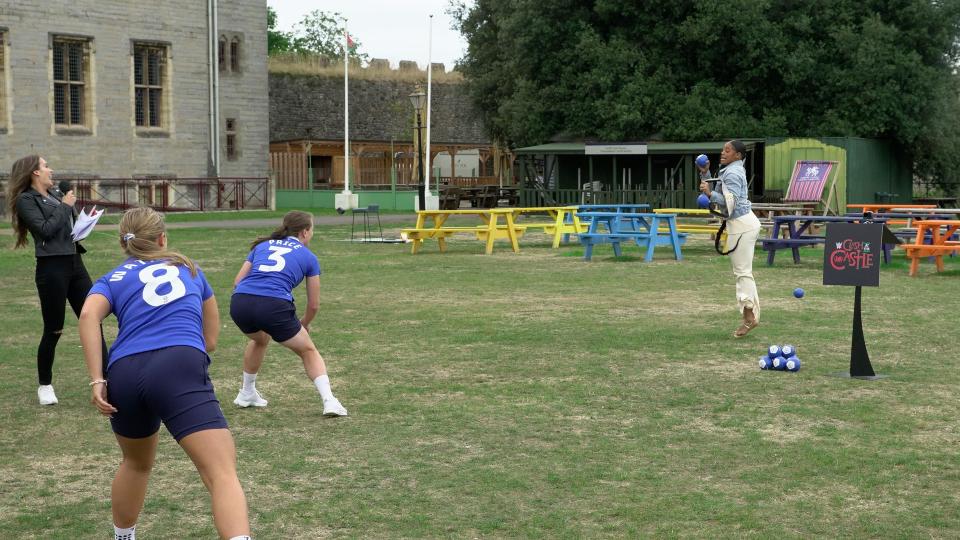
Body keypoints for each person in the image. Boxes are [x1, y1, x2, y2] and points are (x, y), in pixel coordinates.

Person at [78, 207, 252, 540]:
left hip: (124, 372)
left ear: (124, 244)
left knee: (136, 463)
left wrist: (97, 378)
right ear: (162, 238)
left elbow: (88, 316)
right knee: (221, 473)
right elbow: (210, 340)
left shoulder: (111, 278)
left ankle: (123, 536)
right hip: (178, 366)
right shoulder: (189, 269)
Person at [6, 155, 107, 405]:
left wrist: (82, 221)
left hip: (75, 263)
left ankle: (107, 379)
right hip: (51, 268)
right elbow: (45, 230)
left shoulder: (55, 196)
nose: (51, 169)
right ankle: (45, 385)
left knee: (94, 319)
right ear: (34, 173)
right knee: (54, 329)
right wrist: (64, 206)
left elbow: (66, 229)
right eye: (45, 166)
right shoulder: (26, 200)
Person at [229, 210, 347, 416]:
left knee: (260, 339)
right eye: (312, 230)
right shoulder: (309, 257)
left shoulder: (261, 246)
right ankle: (330, 401)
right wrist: (304, 323)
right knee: (308, 351)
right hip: (273, 305)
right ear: (304, 232)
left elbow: (238, 281)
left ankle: (247, 393)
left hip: (240, 303)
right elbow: (313, 305)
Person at [698, 140, 763, 338]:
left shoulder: (733, 172)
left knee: (743, 273)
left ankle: (750, 317)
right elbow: (721, 191)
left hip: (742, 225)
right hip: (741, 225)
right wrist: (705, 173)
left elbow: (730, 202)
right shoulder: (731, 169)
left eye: (728, 150)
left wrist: (710, 195)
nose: (723, 153)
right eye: (723, 149)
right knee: (742, 272)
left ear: (738, 155)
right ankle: (749, 315)